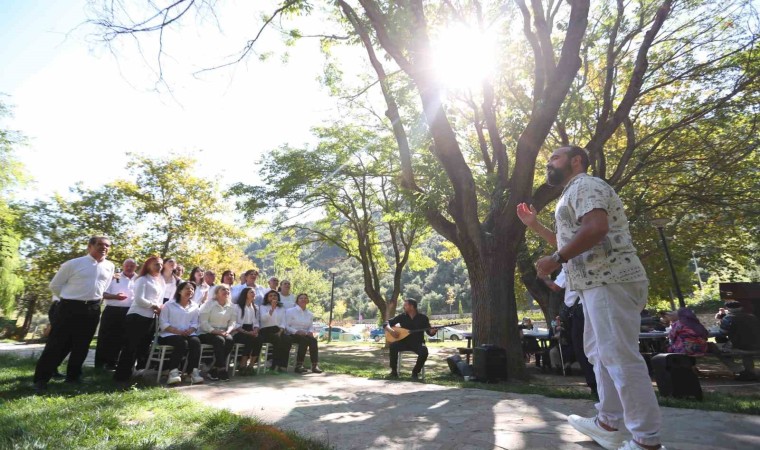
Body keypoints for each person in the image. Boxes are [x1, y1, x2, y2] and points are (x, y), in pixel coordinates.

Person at [517, 145, 664, 450]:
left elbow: (596, 228)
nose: (549, 164)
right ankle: (607, 423)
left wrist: (557, 257)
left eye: (554, 158)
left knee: (620, 358)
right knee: (599, 354)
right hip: (594, 285)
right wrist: (535, 226)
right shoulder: (573, 192)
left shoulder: (585, 184)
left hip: (609, 280)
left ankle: (646, 440)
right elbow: (573, 238)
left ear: (576, 160)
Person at [33, 236, 124, 391]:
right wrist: (69, 298)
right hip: (69, 307)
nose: (104, 248)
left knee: (82, 345)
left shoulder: (110, 266)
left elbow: (104, 287)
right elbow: (55, 285)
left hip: (93, 309)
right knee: (57, 343)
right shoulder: (73, 264)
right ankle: (41, 379)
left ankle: (73, 377)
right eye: (100, 245)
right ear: (90, 246)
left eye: (107, 245)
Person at [114, 256, 166, 383]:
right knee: (130, 346)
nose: (159, 266)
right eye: (156, 264)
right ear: (148, 265)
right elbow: (139, 299)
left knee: (143, 347)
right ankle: (121, 376)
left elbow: (159, 300)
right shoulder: (142, 279)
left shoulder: (159, 281)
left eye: (160, 264)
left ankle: (136, 372)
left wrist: (159, 308)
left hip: (151, 318)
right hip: (137, 316)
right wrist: (153, 305)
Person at [544, 268, 596, 393]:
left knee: (583, 349)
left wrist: (543, 275)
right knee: (591, 347)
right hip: (591, 306)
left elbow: (555, 286)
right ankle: (600, 386)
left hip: (579, 310)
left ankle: (595, 385)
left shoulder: (571, 263)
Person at [95, 258, 138, 370]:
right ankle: (100, 364)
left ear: (136, 267)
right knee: (106, 337)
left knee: (123, 338)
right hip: (112, 310)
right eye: (127, 266)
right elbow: (102, 293)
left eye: (132, 266)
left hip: (130, 312)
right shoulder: (114, 277)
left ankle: (114, 363)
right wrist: (115, 297)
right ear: (123, 266)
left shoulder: (139, 279)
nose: (129, 268)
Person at [158, 281, 204, 384]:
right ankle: (173, 372)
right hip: (168, 335)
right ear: (179, 291)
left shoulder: (195, 306)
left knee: (196, 342)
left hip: (188, 334)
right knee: (181, 342)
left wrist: (191, 330)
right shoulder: (169, 304)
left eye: (192, 289)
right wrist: (177, 331)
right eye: (187, 288)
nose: (190, 291)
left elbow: (195, 323)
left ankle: (192, 372)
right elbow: (163, 323)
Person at [385, 298, 437, 380]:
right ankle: (394, 371)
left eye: (405, 305)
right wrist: (391, 331)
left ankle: (415, 372)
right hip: (404, 342)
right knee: (393, 346)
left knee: (424, 351)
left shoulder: (423, 318)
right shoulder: (402, 317)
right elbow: (386, 323)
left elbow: (429, 332)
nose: (404, 307)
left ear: (412, 306)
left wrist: (433, 332)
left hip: (417, 343)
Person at [713, 301, 760, 381]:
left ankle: (741, 370)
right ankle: (750, 372)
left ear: (727, 308)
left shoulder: (728, 318)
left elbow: (722, 332)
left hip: (741, 345)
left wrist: (710, 332)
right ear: (741, 307)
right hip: (757, 344)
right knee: (746, 352)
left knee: (717, 350)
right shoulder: (752, 316)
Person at [198, 283, 236, 381]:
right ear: (216, 292)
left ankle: (214, 368)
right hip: (206, 332)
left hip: (223, 332)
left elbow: (233, 322)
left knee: (230, 340)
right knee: (219, 340)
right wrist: (216, 331)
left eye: (228, 290)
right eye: (223, 289)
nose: (226, 291)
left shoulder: (231, 306)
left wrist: (228, 331)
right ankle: (222, 369)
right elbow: (203, 323)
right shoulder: (208, 304)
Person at [285, 293, 323, 373]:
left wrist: (310, 332)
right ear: (297, 301)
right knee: (304, 340)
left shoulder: (309, 313)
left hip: (305, 335)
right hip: (292, 334)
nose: (303, 300)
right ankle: (299, 365)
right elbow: (286, 326)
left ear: (308, 301)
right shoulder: (290, 311)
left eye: (305, 298)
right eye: (301, 298)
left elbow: (310, 326)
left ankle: (314, 365)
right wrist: (296, 331)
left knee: (313, 341)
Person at [256, 290, 292, 373]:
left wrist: (281, 331)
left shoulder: (281, 308)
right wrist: (272, 308)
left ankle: (283, 365)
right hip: (266, 330)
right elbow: (263, 319)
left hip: (278, 330)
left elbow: (283, 321)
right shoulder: (263, 307)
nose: (273, 297)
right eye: (271, 296)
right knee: (277, 339)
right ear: (267, 298)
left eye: (275, 295)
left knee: (288, 340)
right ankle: (274, 365)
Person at [232, 287, 261, 373]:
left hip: (250, 330)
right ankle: (242, 364)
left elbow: (256, 322)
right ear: (245, 294)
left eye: (254, 293)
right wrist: (247, 332)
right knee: (249, 339)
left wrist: (255, 330)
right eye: (251, 292)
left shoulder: (255, 307)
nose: (253, 294)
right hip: (238, 331)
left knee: (259, 339)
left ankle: (251, 365)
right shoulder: (236, 307)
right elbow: (234, 323)